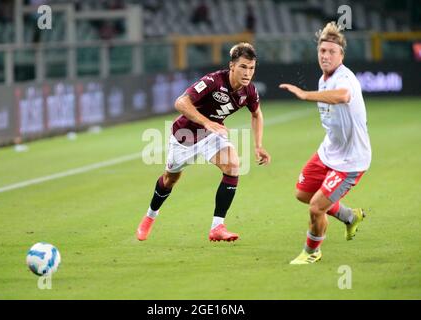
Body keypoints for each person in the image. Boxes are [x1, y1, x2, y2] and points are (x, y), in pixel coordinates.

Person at [137, 42, 271, 242]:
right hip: (184, 137)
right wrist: (207, 122)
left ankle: (217, 227)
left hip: (211, 135)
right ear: (232, 66)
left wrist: (258, 146)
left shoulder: (249, 91)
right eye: (243, 67)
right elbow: (180, 102)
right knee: (169, 179)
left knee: (233, 165)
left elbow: (256, 114)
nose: (248, 73)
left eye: (251, 68)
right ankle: (150, 216)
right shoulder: (213, 81)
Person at [279, 22, 372, 264]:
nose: (326, 55)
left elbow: (343, 96)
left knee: (315, 207)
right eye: (322, 51)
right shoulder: (323, 79)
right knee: (302, 193)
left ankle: (312, 253)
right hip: (329, 151)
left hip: (351, 160)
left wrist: (305, 94)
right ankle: (350, 217)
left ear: (341, 55)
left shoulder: (345, 78)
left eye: (331, 51)